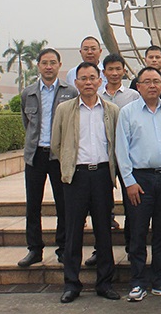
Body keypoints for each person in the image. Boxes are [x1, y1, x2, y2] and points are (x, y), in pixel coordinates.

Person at [51, 62, 121, 303]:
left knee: (104, 231)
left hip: (102, 176)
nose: (88, 82)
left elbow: (116, 143)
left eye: (92, 77)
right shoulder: (64, 109)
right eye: (83, 78)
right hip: (76, 177)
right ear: (76, 82)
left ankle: (105, 283)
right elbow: (56, 144)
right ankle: (71, 284)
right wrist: (70, 165)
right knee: (73, 232)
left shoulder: (111, 110)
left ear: (100, 81)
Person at [115, 67, 161, 302]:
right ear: (138, 86)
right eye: (147, 81)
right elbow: (121, 149)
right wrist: (129, 181)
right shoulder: (127, 112)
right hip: (139, 180)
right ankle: (138, 281)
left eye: (156, 81)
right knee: (138, 232)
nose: (152, 85)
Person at [17, 48, 78, 268]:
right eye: (45, 63)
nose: (49, 67)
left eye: (53, 62)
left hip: (59, 157)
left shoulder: (70, 92)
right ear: (38, 66)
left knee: (64, 205)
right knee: (33, 205)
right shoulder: (28, 93)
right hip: (35, 156)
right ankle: (34, 249)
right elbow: (27, 123)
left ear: (59, 65)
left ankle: (63, 248)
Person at [83, 53, 139, 267]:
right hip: (102, 157)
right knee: (101, 207)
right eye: (110, 69)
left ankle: (132, 248)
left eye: (118, 69)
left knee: (131, 205)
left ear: (124, 71)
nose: (114, 73)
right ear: (103, 73)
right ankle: (100, 250)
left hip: (128, 157)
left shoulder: (133, 96)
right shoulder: (95, 95)